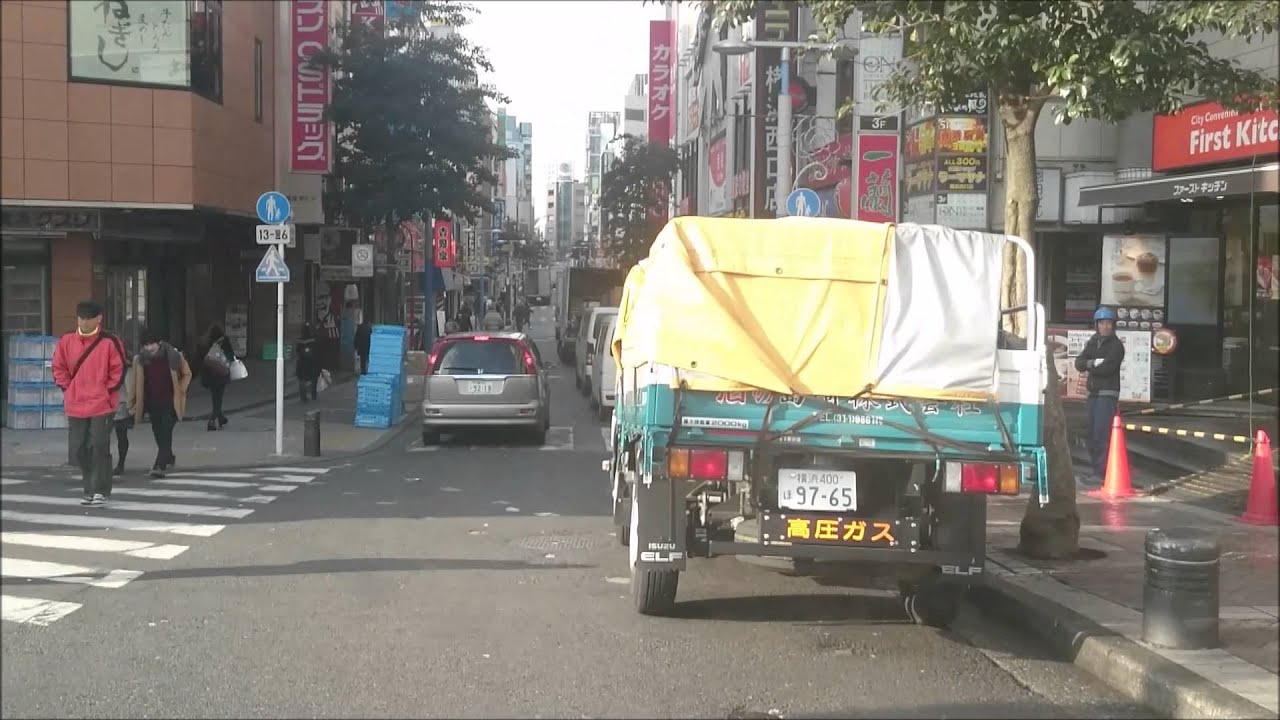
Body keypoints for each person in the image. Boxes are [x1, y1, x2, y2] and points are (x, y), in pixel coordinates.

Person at [51, 300, 126, 506]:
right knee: (78, 449)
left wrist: (106, 391)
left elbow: (118, 370)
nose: (83, 322)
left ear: (98, 319)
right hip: (76, 403)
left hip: (102, 403)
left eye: (88, 318)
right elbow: (58, 367)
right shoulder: (66, 341)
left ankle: (99, 490)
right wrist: (68, 388)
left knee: (99, 445)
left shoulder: (110, 342)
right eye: (81, 318)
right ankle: (90, 487)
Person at [130, 328, 192, 479]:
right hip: (152, 402)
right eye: (146, 345)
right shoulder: (140, 360)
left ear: (159, 343)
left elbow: (187, 373)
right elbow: (135, 384)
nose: (150, 348)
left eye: (152, 344)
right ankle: (169, 456)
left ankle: (159, 465)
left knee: (165, 432)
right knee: (158, 432)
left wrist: (181, 389)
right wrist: (133, 403)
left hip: (170, 402)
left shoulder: (172, 355)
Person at [1074, 306, 1126, 483]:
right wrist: (1093, 363)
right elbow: (1078, 363)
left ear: (1113, 326)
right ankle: (1097, 471)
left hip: (1107, 395)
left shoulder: (1116, 346)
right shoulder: (1093, 341)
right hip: (1093, 394)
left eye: (1108, 323)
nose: (1105, 326)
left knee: (1101, 434)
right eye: (1102, 323)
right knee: (1090, 433)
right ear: (1097, 325)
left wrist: (1091, 365)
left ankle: (1101, 473)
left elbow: (1108, 368)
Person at [200, 324, 235, 431]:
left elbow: (203, 358)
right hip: (221, 374)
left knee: (215, 397)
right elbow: (230, 355)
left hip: (210, 375)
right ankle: (212, 420)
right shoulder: (224, 341)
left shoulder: (208, 342)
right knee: (218, 398)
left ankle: (221, 417)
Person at [113, 354, 136, 477]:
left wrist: (131, 406)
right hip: (111, 404)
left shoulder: (127, 368)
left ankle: (120, 464)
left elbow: (130, 389)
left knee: (121, 436)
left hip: (121, 405)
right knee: (119, 436)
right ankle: (118, 464)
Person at [296, 323, 322, 402]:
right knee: (314, 379)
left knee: (302, 379)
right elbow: (318, 352)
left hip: (301, 363)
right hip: (312, 363)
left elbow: (297, 351)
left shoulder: (299, 341)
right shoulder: (314, 340)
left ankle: (303, 397)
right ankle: (313, 394)